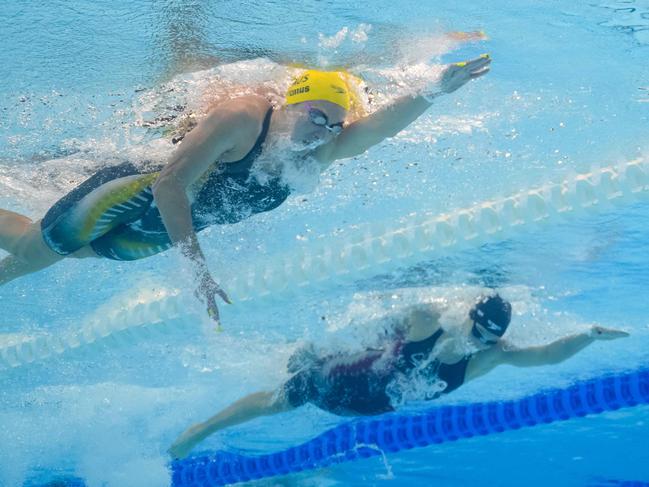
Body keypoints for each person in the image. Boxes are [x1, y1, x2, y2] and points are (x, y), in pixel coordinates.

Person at [0, 55, 491, 324]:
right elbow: (171, 183)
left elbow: (379, 129)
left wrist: (434, 91)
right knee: (31, 247)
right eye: (318, 116)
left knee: (71, 254)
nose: (324, 131)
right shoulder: (242, 120)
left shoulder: (315, 152)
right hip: (139, 194)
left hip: (165, 230)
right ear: (292, 103)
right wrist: (196, 268)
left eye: (335, 125)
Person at [167, 294, 629, 459]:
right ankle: (199, 430)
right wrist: (315, 350)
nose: (482, 342)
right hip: (343, 378)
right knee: (276, 401)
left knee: (285, 403)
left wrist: (588, 335)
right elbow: (364, 332)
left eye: (491, 338)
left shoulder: (490, 357)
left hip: (369, 406)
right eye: (480, 331)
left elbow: (545, 357)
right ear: (469, 316)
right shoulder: (428, 320)